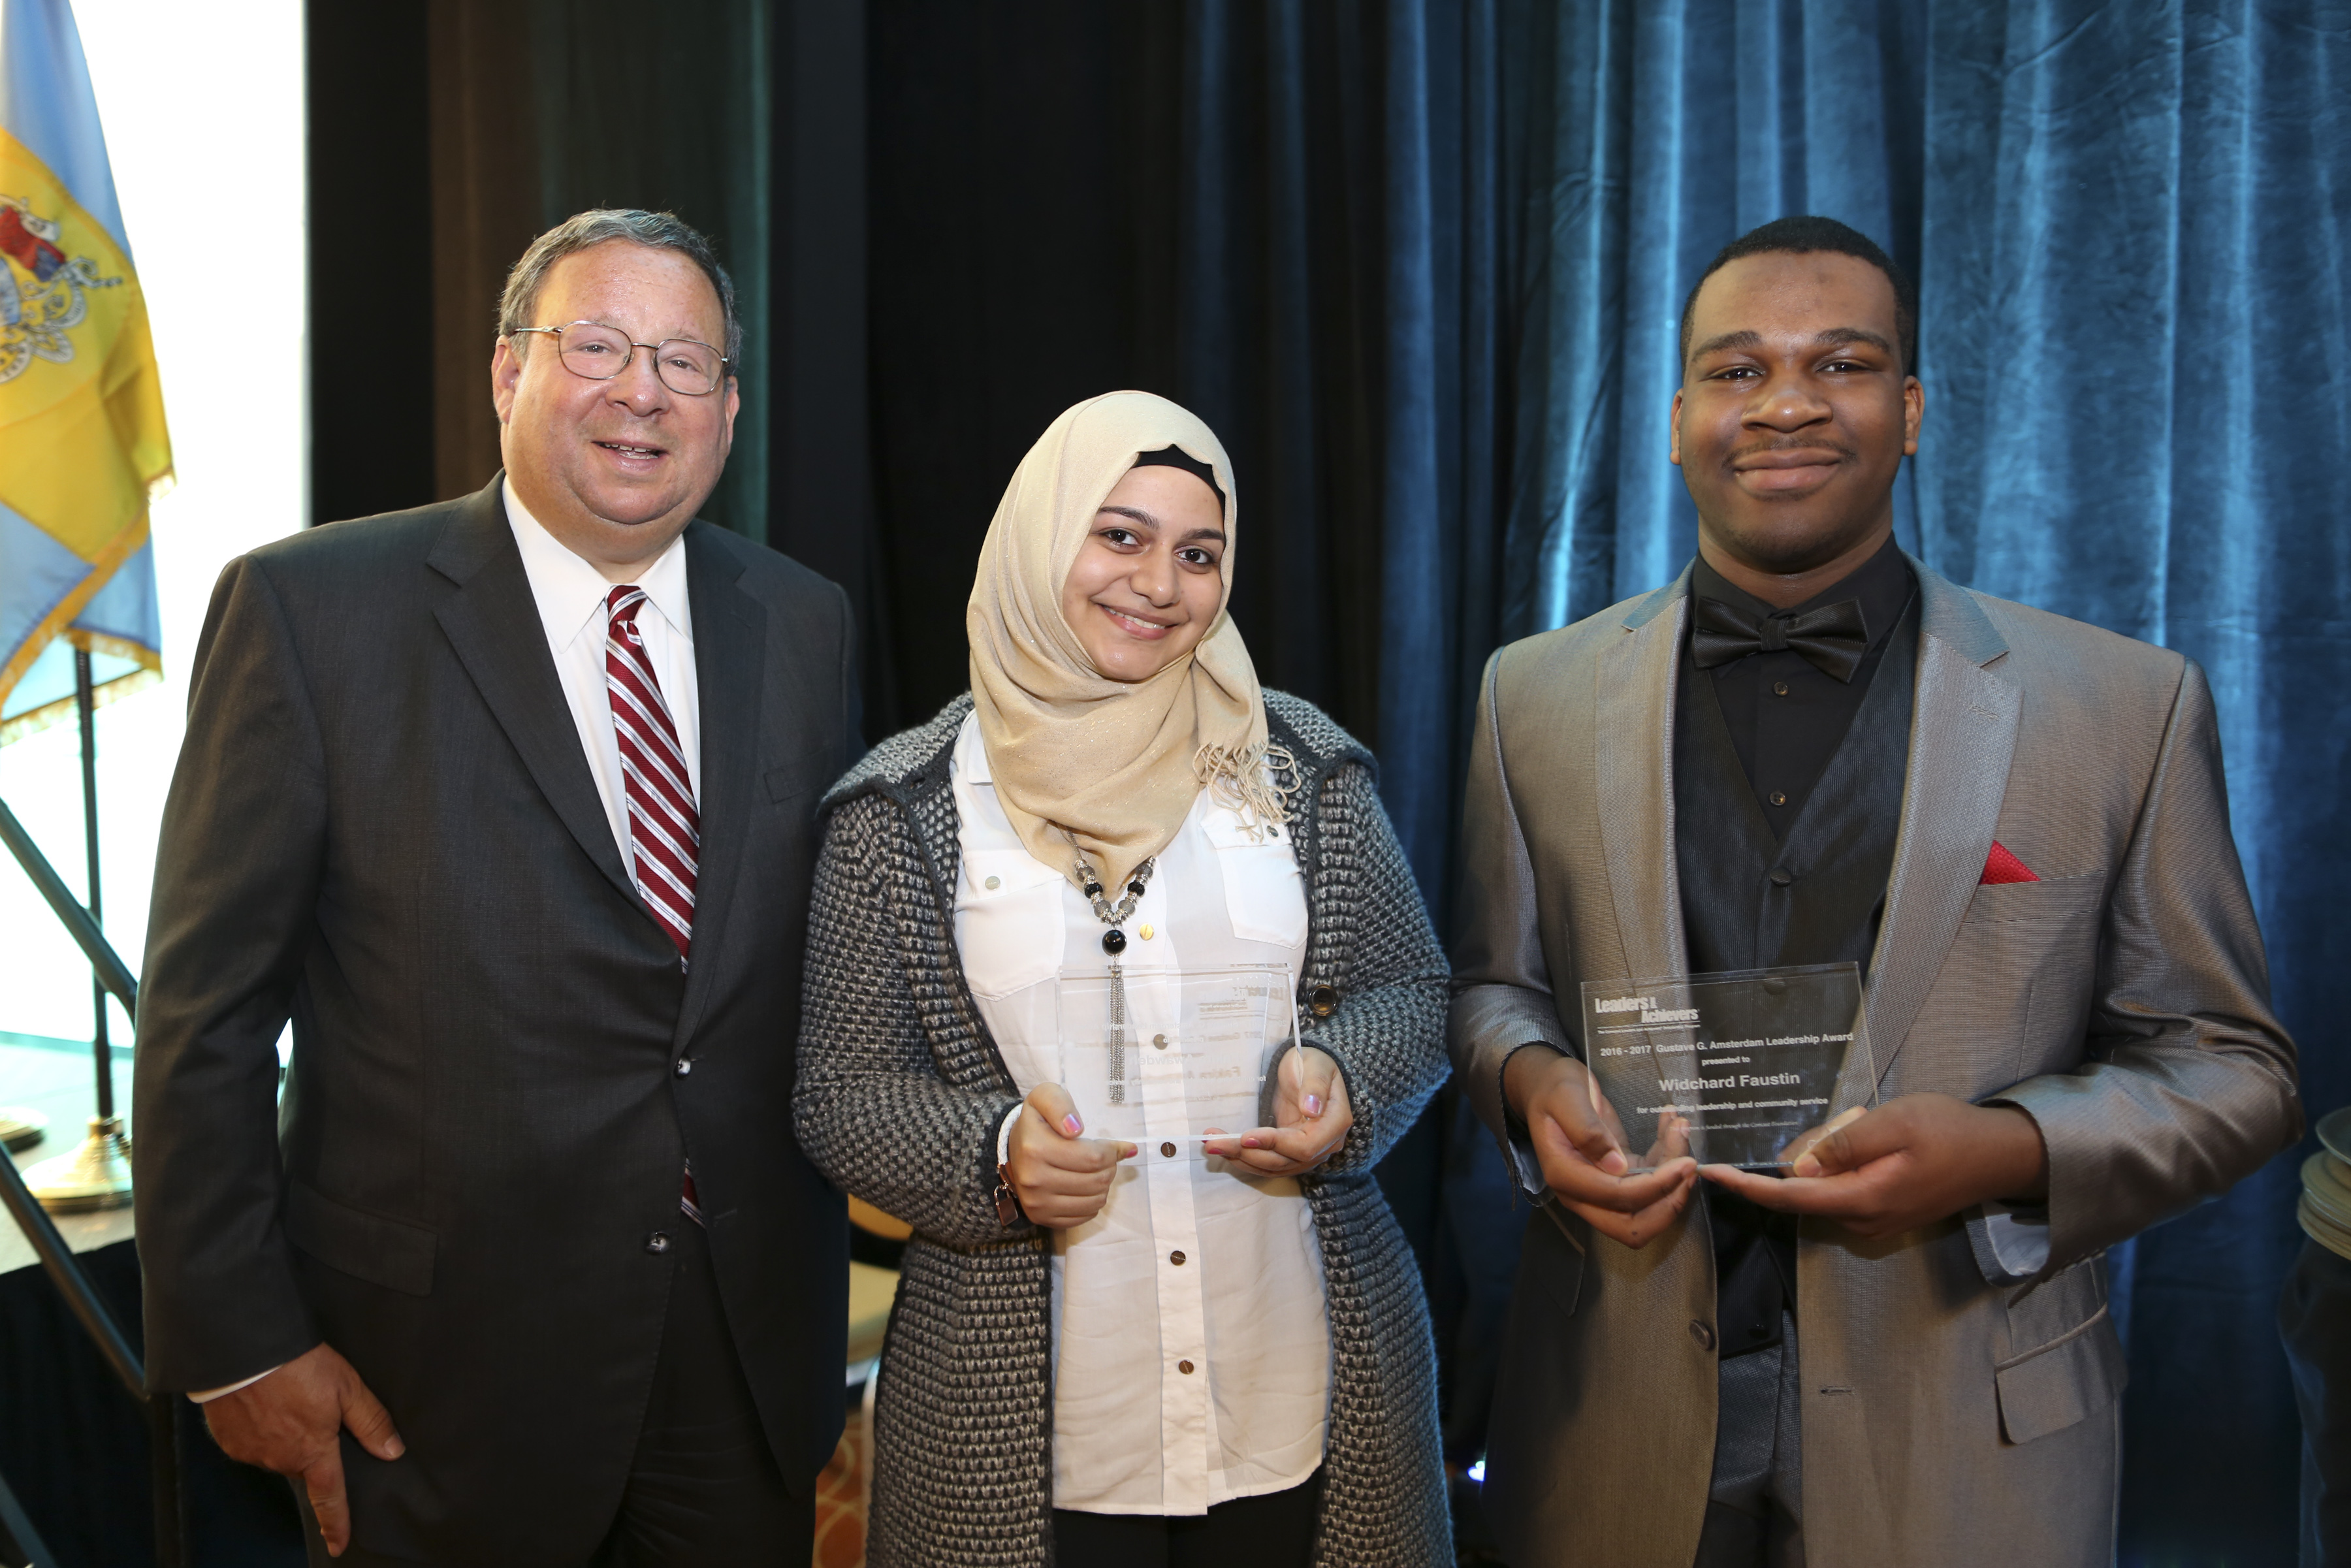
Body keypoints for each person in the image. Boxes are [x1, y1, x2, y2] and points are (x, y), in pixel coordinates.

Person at [1448, 215, 2300, 1567]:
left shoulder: (2122, 705)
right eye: (1737, 371)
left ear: (1908, 411)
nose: (1785, 402)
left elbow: (2234, 1065)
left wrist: (2009, 1150)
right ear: (1675, 420)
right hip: (1610, 1425)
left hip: (1973, 1435)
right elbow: (1496, 984)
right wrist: (1528, 1081)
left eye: (1838, 364)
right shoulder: (1528, 696)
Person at [133, 209, 857, 1565]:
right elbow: (206, 1014)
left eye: (684, 361)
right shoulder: (311, 612)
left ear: (730, 405)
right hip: (432, 1378)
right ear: (505, 373)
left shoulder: (805, 620)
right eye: (596, 344)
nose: (642, 389)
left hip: (742, 1356)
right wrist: (240, 1342)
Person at [793, 391, 1452, 1568]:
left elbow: (1412, 989)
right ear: (1044, 536)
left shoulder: (1299, 767)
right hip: (1029, 1427)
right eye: (1120, 535)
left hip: (1294, 1390)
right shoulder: (901, 808)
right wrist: (993, 1153)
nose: (1160, 583)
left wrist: (1343, 1079)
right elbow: (840, 1088)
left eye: (1199, 553)